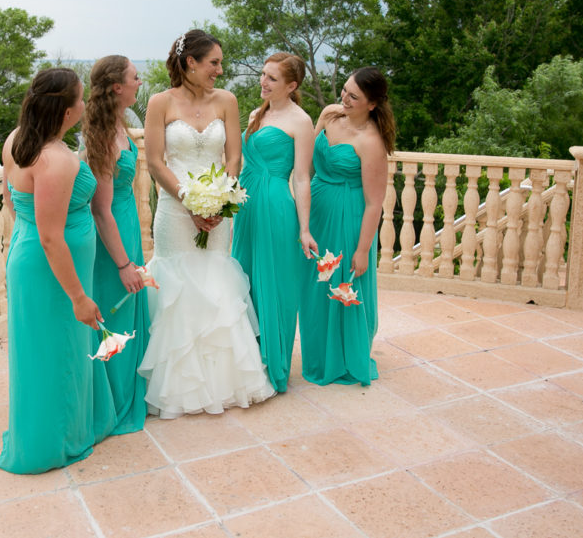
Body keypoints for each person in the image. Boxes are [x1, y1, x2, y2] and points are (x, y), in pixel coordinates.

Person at [139, 29, 275, 417]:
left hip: (218, 213)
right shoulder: (160, 103)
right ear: (190, 63)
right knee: (177, 286)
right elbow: (155, 162)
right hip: (174, 210)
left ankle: (224, 384)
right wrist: (189, 201)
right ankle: (178, 389)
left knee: (216, 282)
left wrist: (220, 200)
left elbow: (234, 157)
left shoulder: (227, 101)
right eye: (213, 62)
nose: (220, 69)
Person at [0, 68, 116, 473]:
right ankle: (52, 442)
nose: (85, 105)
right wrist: (79, 296)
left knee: (46, 350)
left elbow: (13, 203)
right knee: (56, 351)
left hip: (29, 255)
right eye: (81, 99)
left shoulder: (16, 142)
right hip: (51, 270)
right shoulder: (56, 160)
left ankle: (55, 430)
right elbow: (51, 237)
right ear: (66, 111)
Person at [299, 67, 395, 386]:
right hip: (317, 209)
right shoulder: (329, 115)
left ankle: (341, 358)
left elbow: (374, 203)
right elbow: (307, 163)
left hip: (347, 218)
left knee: (338, 284)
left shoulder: (372, 143)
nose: (344, 99)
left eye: (354, 96)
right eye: (344, 90)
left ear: (372, 104)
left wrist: (363, 249)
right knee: (313, 284)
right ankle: (316, 353)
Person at [231, 53, 318, 392]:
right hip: (247, 204)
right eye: (263, 75)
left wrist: (305, 228)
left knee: (276, 284)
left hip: (275, 205)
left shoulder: (301, 121)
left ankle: (274, 362)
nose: (263, 82)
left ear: (292, 86)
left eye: (272, 79)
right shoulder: (257, 113)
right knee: (244, 279)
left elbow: (301, 178)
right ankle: (247, 359)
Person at [84, 55, 149, 434]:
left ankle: (129, 395)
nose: (140, 82)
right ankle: (115, 405)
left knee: (129, 315)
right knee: (117, 317)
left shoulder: (120, 123)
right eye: (134, 78)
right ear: (116, 87)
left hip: (128, 225)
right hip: (113, 236)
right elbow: (99, 209)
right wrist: (124, 264)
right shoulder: (105, 135)